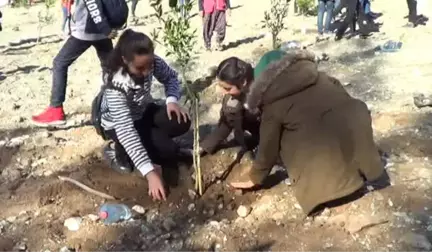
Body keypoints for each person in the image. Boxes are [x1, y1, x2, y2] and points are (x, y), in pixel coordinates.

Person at [229, 49, 385, 215]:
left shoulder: (273, 105)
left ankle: (321, 185)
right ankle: (360, 170)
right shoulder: (324, 78)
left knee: (285, 138)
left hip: (328, 190)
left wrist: (255, 177)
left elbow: (268, 148)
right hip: (366, 165)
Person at [99, 29, 191, 201]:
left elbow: (171, 78)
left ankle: (153, 142)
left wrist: (171, 100)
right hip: (118, 125)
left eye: (149, 66)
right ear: (125, 60)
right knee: (167, 150)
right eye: (140, 68)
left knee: (181, 122)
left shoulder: (150, 61)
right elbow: (126, 130)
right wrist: (150, 173)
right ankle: (116, 151)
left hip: (142, 110)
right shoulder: (115, 85)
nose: (147, 72)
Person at [31, 0, 118, 126]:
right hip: (102, 30)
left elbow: (92, 4)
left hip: (88, 30)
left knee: (59, 63)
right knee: (110, 68)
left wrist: (105, 29)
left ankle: (56, 110)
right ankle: (116, 106)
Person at [200, 57, 260, 155]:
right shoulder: (232, 99)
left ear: (243, 82)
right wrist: (204, 146)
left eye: (227, 88)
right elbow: (226, 124)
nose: (223, 93)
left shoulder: (265, 91)